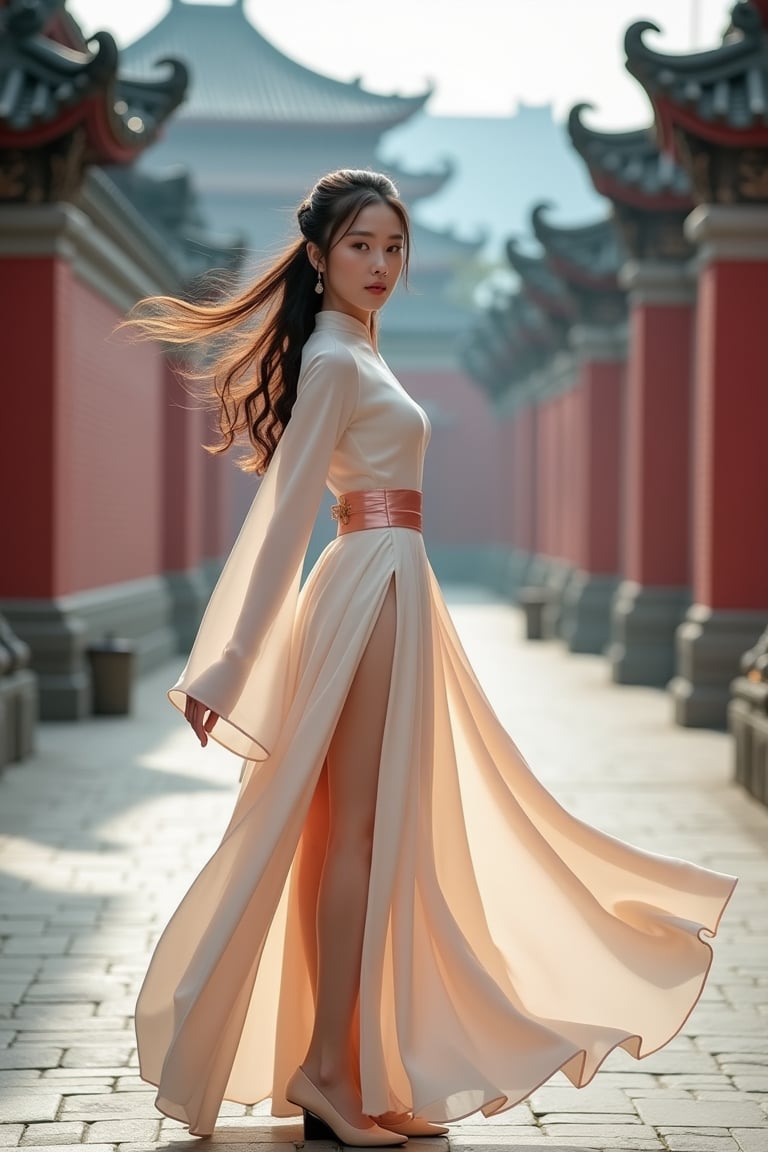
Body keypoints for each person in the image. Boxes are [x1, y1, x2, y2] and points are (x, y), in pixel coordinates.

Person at [129, 169, 736, 1146]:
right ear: (320, 256)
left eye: (394, 248)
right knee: (358, 836)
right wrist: (231, 659)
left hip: (394, 583)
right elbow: (286, 513)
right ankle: (328, 1072)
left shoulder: (359, 355)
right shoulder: (332, 362)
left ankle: (355, 1067)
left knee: (369, 836)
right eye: (362, 246)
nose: (381, 265)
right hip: (369, 585)